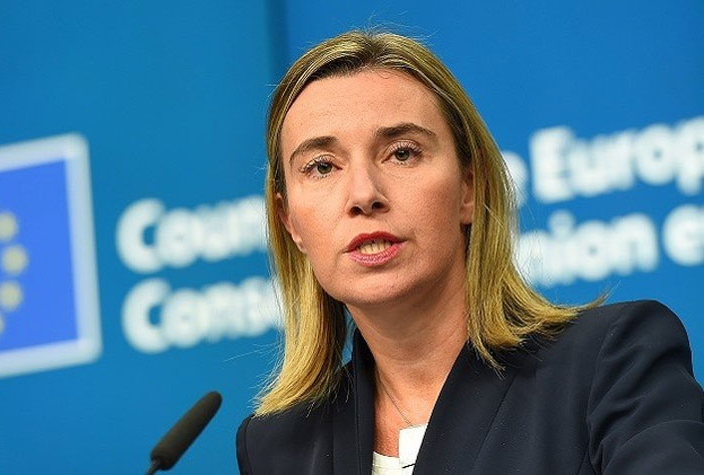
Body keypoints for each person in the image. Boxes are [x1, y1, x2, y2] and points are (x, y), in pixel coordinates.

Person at [236, 30, 704, 474]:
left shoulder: (610, 361)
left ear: (468, 185)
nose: (363, 194)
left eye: (402, 153)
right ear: (290, 221)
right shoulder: (279, 446)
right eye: (322, 167)